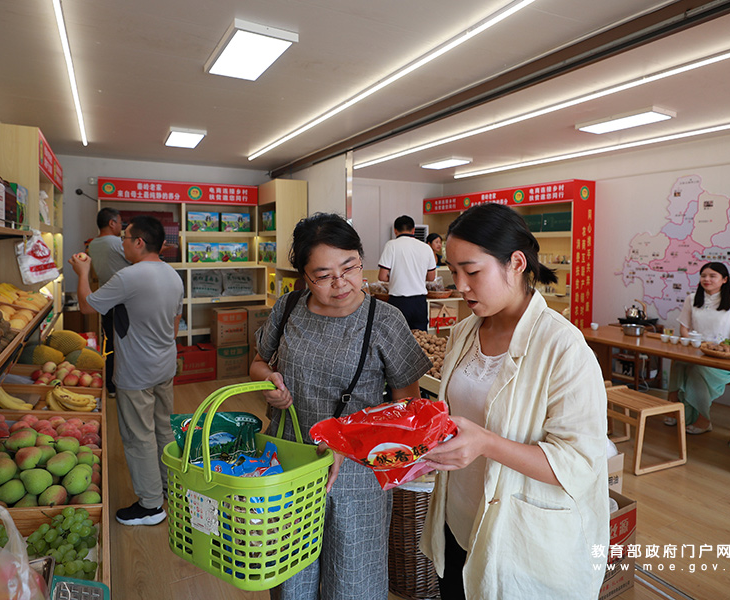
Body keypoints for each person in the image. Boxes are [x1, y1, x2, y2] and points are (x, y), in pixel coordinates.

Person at [418, 203, 609, 600]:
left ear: (516, 263)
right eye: (452, 271)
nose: (460, 285)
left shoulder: (563, 347)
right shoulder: (463, 333)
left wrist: (486, 443)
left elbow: (580, 463)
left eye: (472, 272)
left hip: (522, 540)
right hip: (458, 520)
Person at [249, 213, 432, 600]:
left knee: (354, 585)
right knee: (290, 584)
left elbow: (408, 409)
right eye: (323, 275)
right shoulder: (289, 307)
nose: (341, 283)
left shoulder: (385, 320)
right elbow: (259, 362)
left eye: (350, 267)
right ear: (304, 276)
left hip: (357, 476)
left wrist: (348, 442)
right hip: (287, 465)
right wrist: (269, 380)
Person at [70, 215, 184, 526]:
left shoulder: (128, 277)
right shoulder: (173, 275)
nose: (122, 244)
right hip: (165, 365)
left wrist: (83, 272)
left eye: (125, 238)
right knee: (163, 428)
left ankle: (150, 506)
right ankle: (169, 488)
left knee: (138, 436)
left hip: (136, 370)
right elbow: (174, 326)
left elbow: (86, 306)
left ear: (139, 242)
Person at [667, 262, 730, 434]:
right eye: (704, 275)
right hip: (697, 352)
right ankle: (672, 409)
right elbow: (684, 328)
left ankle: (704, 420)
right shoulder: (692, 299)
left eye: (713, 276)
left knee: (697, 369)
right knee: (678, 363)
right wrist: (693, 342)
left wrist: (724, 349)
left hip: (722, 359)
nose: (707, 279)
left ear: (724, 279)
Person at [86, 207, 130, 394]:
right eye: (120, 223)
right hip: (125, 301)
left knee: (110, 342)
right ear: (112, 223)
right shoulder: (117, 243)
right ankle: (126, 384)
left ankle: (111, 385)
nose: (121, 226)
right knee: (127, 343)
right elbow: (138, 259)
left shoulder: (93, 244)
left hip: (106, 299)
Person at [378, 215, 437, 331]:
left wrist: (396, 277)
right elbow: (431, 277)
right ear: (413, 230)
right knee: (420, 337)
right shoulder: (426, 247)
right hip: (420, 302)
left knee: (397, 336)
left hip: (398, 302)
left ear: (395, 230)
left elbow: (382, 276)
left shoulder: (391, 245)